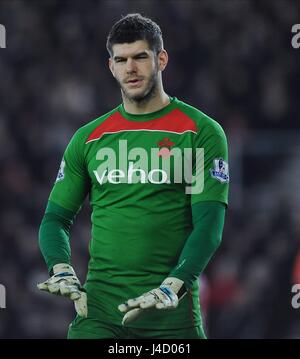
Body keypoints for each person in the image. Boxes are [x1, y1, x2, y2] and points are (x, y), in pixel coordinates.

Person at [37, 13, 229, 339]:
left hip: (171, 320)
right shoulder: (88, 138)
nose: (131, 68)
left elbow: (209, 226)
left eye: (140, 56)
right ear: (110, 66)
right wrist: (61, 268)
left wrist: (173, 286)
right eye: (121, 59)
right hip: (97, 314)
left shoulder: (201, 132)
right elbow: (55, 219)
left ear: (161, 59)